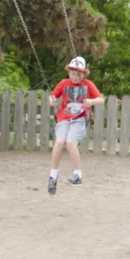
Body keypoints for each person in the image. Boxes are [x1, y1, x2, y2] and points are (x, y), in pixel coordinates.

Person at [47, 56, 105, 195]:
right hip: (63, 118)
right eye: (73, 73)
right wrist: (52, 101)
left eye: (78, 74)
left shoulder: (88, 84)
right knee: (60, 141)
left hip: (79, 119)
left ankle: (77, 174)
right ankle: (53, 175)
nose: (75, 76)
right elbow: (52, 96)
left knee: (70, 142)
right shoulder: (63, 83)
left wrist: (90, 102)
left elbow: (101, 100)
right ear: (69, 72)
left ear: (84, 74)